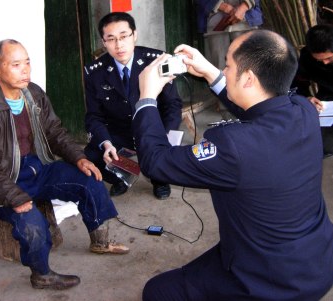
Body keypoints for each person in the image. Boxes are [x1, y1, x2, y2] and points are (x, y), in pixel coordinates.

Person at [133, 30, 333, 300]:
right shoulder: (304, 109)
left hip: (271, 279)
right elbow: (258, 108)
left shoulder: (231, 146)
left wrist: (146, 97)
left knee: (157, 292)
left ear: (249, 78)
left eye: (227, 65)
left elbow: (155, 162)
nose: (224, 70)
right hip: (318, 260)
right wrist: (208, 72)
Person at [0, 39, 129, 291]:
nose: (25, 70)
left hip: (35, 168)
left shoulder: (32, 92)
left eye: (27, 62)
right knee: (32, 223)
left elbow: (55, 132)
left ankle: (100, 240)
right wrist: (15, 196)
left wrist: (79, 158)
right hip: (0, 181)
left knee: (90, 178)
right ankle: (41, 274)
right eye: (16, 64)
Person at [83, 12, 183, 199]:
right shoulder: (94, 72)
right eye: (111, 39)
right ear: (103, 42)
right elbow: (94, 115)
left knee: (160, 154)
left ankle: (159, 179)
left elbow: (172, 105)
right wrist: (106, 143)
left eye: (123, 37)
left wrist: (166, 136)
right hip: (119, 131)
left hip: (152, 128)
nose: (119, 45)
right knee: (91, 156)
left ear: (134, 35)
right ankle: (120, 176)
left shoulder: (156, 61)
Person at [195, 0, 263, 120]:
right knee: (219, 69)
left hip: (246, 19)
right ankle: (227, 111)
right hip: (215, 21)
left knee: (248, 66)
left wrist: (244, 6)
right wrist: (223, 6)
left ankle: (252, 106)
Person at [293, 24, 333, 157]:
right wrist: (307, 97)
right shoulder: (306, 57)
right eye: (319, 60)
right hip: (327, 101)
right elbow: (298, 83)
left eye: (329, 58)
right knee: (322, 144)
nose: (325, 63)